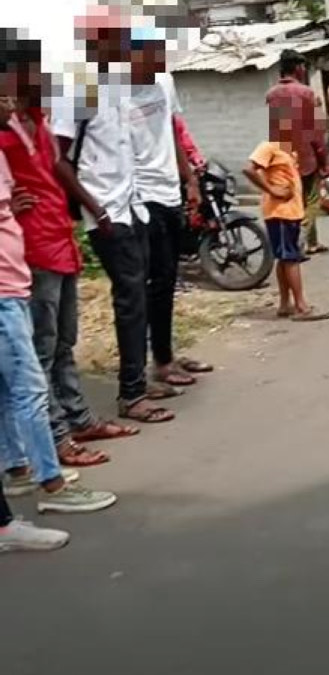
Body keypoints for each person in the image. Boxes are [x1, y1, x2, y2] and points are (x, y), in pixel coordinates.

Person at [0, 34, 142, 468]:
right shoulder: (5, 128)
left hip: (59, 238)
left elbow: (54, 169)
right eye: (35, 69)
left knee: (65, 342)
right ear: (15, 74)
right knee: (42, 350)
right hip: (32, 248)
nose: (44, 76)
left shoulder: (35, 119)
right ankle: (55, 441)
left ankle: (77, 420)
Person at [53, 21, 176, 425]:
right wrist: (96, 209)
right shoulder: (80, 89)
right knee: (131, 297)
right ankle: (131, 394)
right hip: (105, 210)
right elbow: (59, 158)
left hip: (132, 205)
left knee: (139, 293)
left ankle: (138, 379)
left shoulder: (118, 91)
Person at [0, 141, 117, 514]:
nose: (9, 107)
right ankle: (52, 485)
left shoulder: (19, 138)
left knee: (9, 387)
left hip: (24, 272)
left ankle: (18, 469)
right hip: (7, 286)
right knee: (30, 386)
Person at [126, 33, 213, 399]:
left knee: (167, 279)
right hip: (139, 196)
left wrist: (189, 180)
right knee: (151, 282)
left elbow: (172, 133)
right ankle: (156, 363)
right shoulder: (112, 93)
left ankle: (165, 355)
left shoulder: (163, 81)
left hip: (168, 190)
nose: (152, 64)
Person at [245, 103, 329, 323]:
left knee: (284, 258)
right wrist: (272, 189)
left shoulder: (287, 148)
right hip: (280, 212)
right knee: (291, 258)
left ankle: (285, 304)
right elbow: (249, 169)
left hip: (290, 211)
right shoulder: (270, 145)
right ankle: (301, 306)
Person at [266, 49, 329, 257]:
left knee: (296, 200)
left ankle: (313, 242)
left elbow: (276, 129)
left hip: (283, 156)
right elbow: (316, 132)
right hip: (305, 155)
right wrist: (324, 159)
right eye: (303, 66)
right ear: (298, 68)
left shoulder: (273, 94)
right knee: (312, 201)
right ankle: (299, 242)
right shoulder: (306, 94)